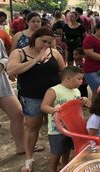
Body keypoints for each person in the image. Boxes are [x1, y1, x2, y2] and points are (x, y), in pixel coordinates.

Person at [7, 27, 66, 172]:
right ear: (34, 38)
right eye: (43, 41)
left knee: (60, 127)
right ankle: (29, 159)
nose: (46, 45)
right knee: (32, 127)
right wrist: (36, 60)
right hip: (32, 96)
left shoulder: (55, 53)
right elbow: (12, 70)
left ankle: (61, 159)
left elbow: (63, 72)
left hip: (54, 96)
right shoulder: (20, 52)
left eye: (50, 42)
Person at [0, 11, 25, 158]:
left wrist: (3, 63)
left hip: (0, 83)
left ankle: (21, 146)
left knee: (18, 113)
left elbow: (5, 57)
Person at [41, 66, 90, 172]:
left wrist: (84, 101)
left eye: (82, 79)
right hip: (56, 130)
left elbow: (76, 108)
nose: (82, 81)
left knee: (67, 149)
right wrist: (53, 109)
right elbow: (44, 106)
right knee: (56, 154)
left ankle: (64, 167)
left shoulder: (77, 91)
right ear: (67, 78)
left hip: (72, 129)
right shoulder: (54, 90)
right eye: (79, 79)